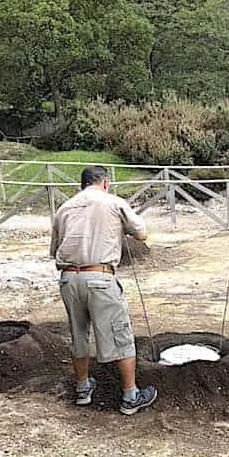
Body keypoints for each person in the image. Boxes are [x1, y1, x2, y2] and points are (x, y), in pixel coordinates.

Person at [50, 165, 157, 415]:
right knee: (121, 335)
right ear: (105, 183)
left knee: (78, 335)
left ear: (82, 185)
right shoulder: (112, 202)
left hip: (68, 279)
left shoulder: (64, 209)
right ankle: (131, 396)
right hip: (99, 277)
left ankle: (83, 388)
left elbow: (55, 248)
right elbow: (141, 233)